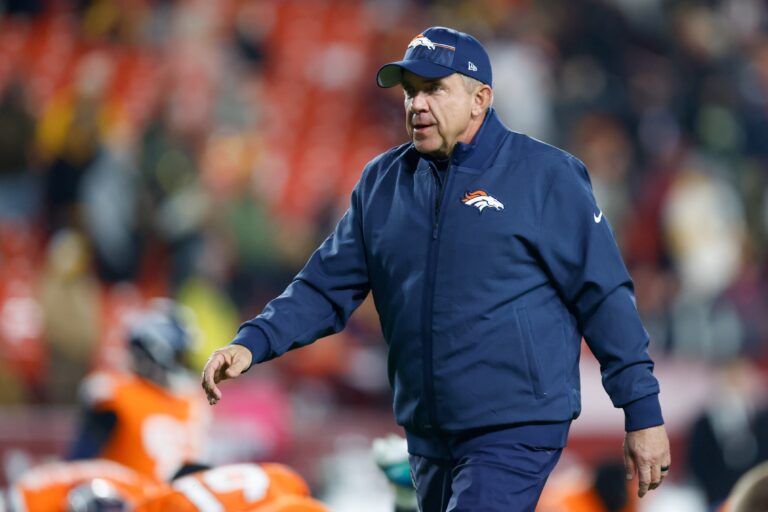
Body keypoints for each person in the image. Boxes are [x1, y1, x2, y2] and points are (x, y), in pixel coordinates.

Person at [202, 26, 670, 511]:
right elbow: (325, 288)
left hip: (513, 425)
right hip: (428, 432)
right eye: (410, 91)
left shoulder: (544, 175)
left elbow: (604, 294)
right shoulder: (383, 183)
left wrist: (642, 412)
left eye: (434, 89)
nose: (416, 104)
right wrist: (251, 342)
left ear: (479, 99)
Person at [70, 299, 209, 480]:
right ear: (155, 353)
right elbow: (79, 463)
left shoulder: (191, 402)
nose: (185, 364)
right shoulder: (115, 394)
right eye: (180, 356)